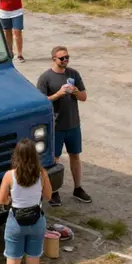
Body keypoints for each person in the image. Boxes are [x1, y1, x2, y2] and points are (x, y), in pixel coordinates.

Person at [0, 139, 53, 264]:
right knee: (33, 262)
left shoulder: (9, 175)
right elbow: (48, 196)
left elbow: (3, 200)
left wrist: (5, 199)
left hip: (16, 222)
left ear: (16, 156)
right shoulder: (42, 174)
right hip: (36, 220)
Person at [36, 47, 92, 206]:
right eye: (62, 58)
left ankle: (78, 188)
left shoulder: (73, 74)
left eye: (67, 57)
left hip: (73, 124)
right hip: (56, 126)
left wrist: (75, 91)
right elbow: (41, 102)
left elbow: (83, 97)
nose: (65, 60)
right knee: (54, 159)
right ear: (54, 59)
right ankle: (53, 191)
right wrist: (58, 94)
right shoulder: (45, 78)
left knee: (75, 155)